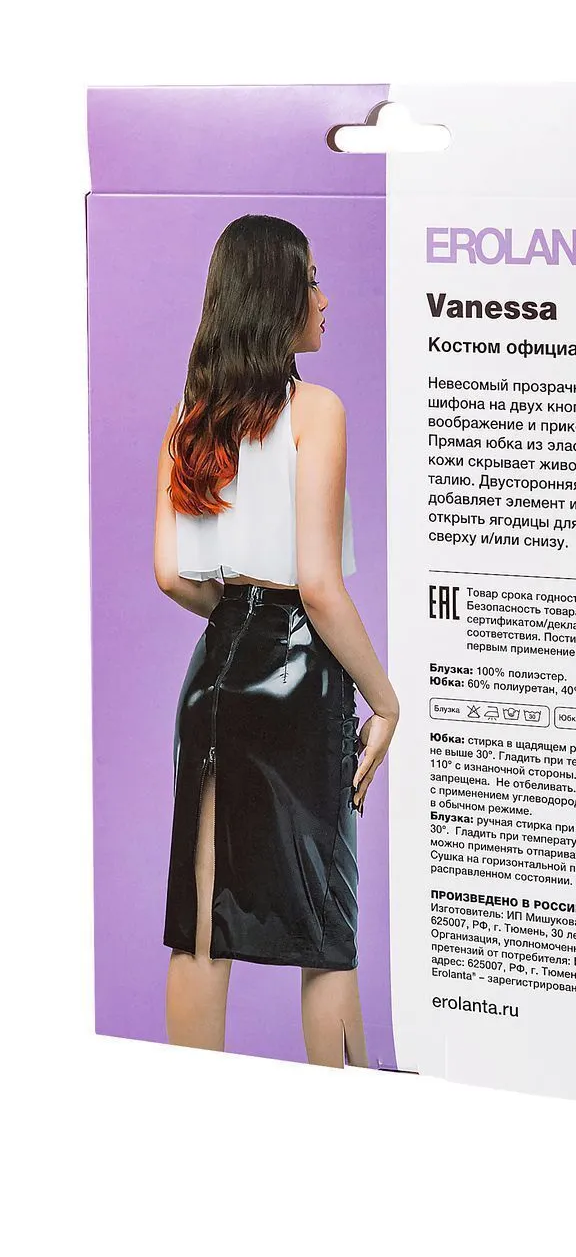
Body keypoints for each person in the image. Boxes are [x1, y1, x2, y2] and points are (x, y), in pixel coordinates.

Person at [152, 214, 399, 1068]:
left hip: (215, 671)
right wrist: (387, 702)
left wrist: (238, 618)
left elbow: (171, 575)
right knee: (325, 925)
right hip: (301, 675)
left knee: (201, 918)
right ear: (277, 296)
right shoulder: (316, 411)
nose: (325, 299)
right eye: (313, 281)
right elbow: (320, 587)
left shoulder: (190, 419)